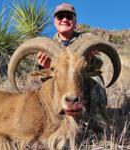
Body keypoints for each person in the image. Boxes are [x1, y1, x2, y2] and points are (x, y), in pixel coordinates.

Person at [37, 3, 109, 132]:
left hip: (81, 81)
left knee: (96, 80)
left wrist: (91, 59)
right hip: (60, 86)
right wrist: (47, 66)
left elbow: (99, 64)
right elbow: (42, 78)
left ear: (75, 21)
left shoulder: (86, 40)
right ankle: (50, 125)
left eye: (69, 17)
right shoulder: (48, 45)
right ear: (55, 22)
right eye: (60, 16)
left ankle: (99, 127)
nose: (64, 19)